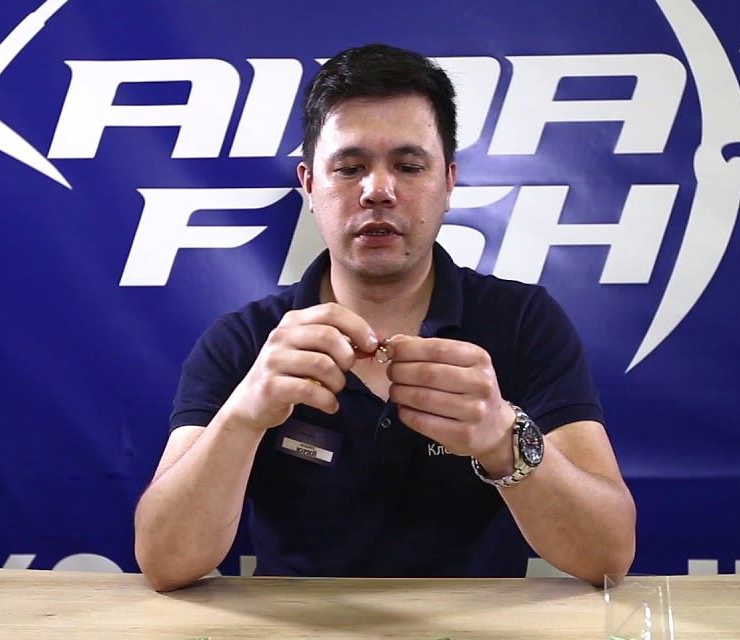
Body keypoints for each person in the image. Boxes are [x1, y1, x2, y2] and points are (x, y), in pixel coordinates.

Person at [134, 44, 635, 591]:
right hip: (296, 638)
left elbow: (607, 555)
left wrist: (502, 438)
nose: (377, 190)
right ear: (309, 185)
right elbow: (164, 562)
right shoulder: (247, 341)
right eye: (350, 168)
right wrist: (243, 418)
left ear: (449, 182)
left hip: (478, 639)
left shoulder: (521, 323)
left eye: (408, 166)